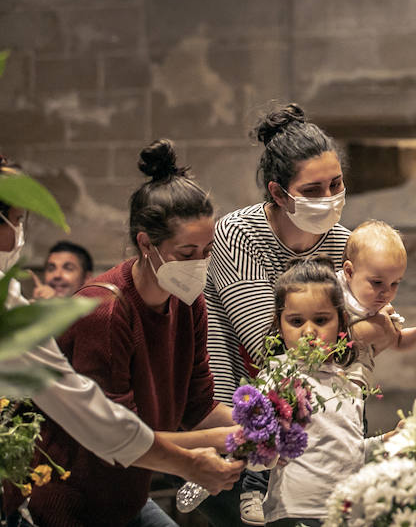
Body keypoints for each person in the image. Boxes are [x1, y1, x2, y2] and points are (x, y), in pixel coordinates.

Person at [0, 159, 240, 524]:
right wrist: (218, 446)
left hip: (126, 494)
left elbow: (198, 406)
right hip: (74, 502)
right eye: (187, 254)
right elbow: (108, 432)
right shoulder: (104, 312)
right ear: (146, 243)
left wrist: (259, 422)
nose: (200, 265)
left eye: (207, 253)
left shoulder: (188, 301)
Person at [205, 104, 350, 526]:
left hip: (316, 415)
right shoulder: (238, 233)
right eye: (312, 189)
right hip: (236, 412)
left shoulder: (344, 242)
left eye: (336, 184)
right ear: (277, 192)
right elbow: (270, 344)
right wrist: (356, 331)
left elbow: (347, 345)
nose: (329, 198)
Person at [262, 258, 383, 527]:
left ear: (341, 323)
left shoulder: (349, 381)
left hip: (348, 513)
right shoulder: (276, 378)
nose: (308, 331)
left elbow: (347, 450)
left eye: (320, 319)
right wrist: (265, 449)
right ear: (279, 324)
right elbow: (255, 456)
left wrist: (386, 442)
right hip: (294, 513)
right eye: (295, 321)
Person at [339, 220, 416, 366]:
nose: (386, 292)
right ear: (350, 272)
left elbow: (398, 341)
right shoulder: (331, 294)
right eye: (377, 282)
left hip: (357, 382)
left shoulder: (381, 310)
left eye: (394, 283)